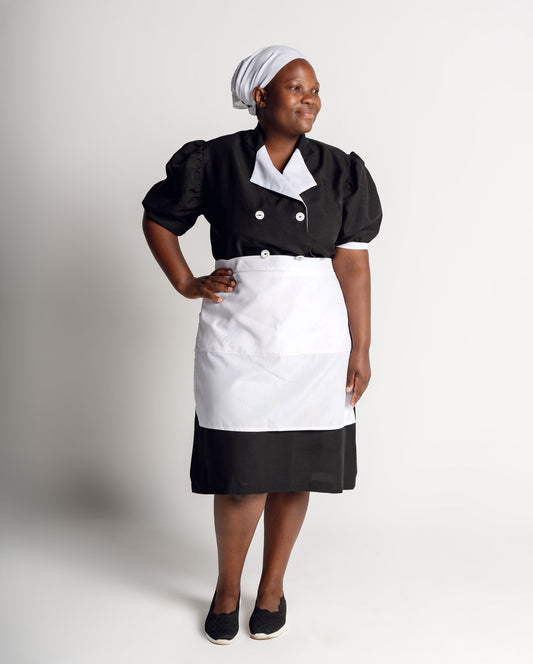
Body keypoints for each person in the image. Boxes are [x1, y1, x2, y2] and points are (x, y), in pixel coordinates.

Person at [141, 44, 383, 645]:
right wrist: (186, 281)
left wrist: (360, 348)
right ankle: (228, 588)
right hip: (239, 335)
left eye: (315, 90)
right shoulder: (214, 160)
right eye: (297, 88)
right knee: (240, 476)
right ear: (261, 96)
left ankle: (271, 587)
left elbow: (353, 265)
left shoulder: (340, 169)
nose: (311, 100)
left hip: (315, 340)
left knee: (295, 473)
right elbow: (160, 219)